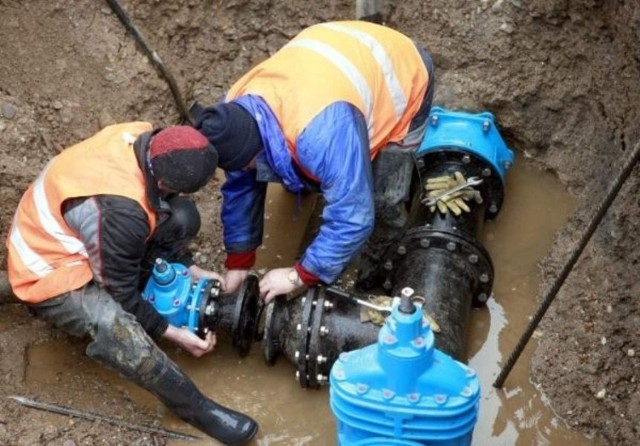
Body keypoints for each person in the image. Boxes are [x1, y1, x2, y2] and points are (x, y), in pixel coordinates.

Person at [5, 123, 258, 445]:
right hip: (48, 268)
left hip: (74, 227)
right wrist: (175, 333)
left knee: (181, 216)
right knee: (114, 325)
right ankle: (193, 407)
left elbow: (160, 212)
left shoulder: (144, 136)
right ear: (163, 179)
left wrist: (189, 267)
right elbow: (119, 292)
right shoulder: (120, 211)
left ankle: (142, 270)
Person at [195, 20, 435, 301]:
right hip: (334, 63)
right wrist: (239, 261)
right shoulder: (233, 111)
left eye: (249, 164)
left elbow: (355, 218)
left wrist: (298, 275)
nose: (246, 170)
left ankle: (377, 278)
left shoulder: (322, 133)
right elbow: (240, 187)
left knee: (383, 200)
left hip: (404, 76)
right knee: (308, 170)